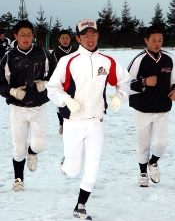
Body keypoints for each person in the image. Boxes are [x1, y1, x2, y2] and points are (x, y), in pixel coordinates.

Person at [46, 19, 130, 220]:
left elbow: (125, 81)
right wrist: (66, 99)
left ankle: (80, 206)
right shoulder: (68, 61)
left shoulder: (107, 61)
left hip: (96, 122)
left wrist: (120, 96)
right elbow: (52, 88)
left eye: (93, 34)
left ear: (98, 35)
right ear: (78, 38)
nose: (90, 39)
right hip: (73, 123)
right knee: (74, 172)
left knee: (93, 166)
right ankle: (67, 164)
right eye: (85, 35)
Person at [0, 20, 55, 191]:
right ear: (15, 36)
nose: (25, 38)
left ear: (33, 36)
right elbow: (1, 83)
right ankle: (18, 179)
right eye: (22, 35)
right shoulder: (8, 58)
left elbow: (58, 75)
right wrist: (11, 91)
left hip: (39, 107)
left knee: (39, 145)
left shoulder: (44, 54)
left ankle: (32, 152)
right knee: (18, 147)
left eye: (29, 34)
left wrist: (47, 83)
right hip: (18, 108)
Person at [127, 25, 175, 187]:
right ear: (146, 40)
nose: (157, 44)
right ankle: (143, 173)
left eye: (160, 40)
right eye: (153, 40)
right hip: (142, 109)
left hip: (162, 108)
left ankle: (153, 162)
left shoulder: (170, 58)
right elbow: (125, 83)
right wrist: (144, 82)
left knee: (161, 143)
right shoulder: (139, 59)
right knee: (143, 143)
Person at [51, 29, 77, 134]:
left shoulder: (76, 50)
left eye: (67, 38)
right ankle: (62, 123)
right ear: (59, 39)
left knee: (74, 101)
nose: (65, 40)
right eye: (63, 38)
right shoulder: (55, 52)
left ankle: (74, 124)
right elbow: (53, 69)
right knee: (61, 103)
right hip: (61, 82)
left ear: (70, 39)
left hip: (74, 82)